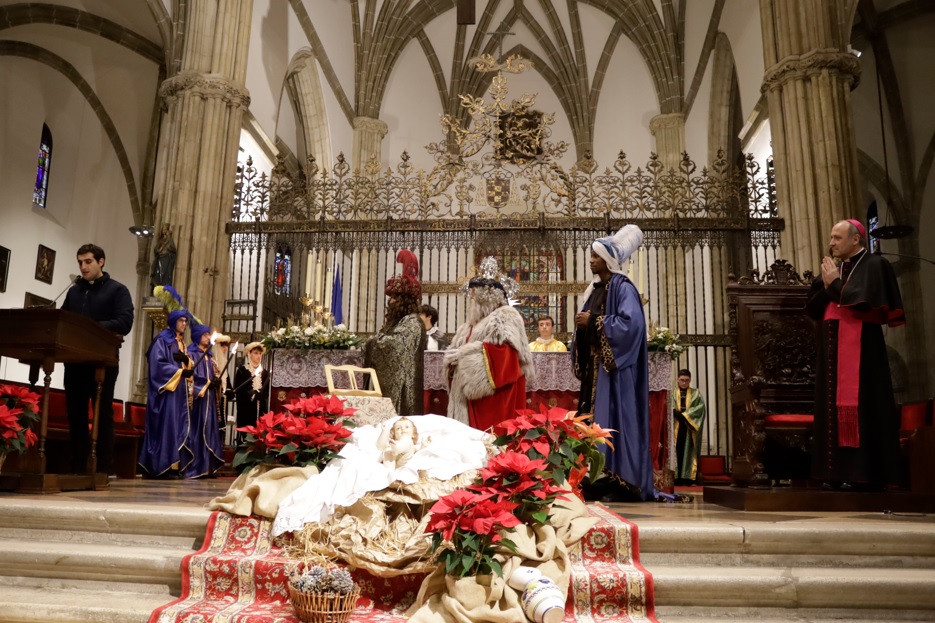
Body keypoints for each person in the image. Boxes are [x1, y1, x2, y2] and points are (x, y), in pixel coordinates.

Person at [805, 219, 905, 491]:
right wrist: (829, 285)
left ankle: (864, 473)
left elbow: (862, 303)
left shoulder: (875, 265)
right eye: (831, 237)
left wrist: (835, 285)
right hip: (830, 354)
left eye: (837, 237)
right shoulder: (834, 270)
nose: (832, 243)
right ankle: (833, 473)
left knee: (865, 407)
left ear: (856, 240)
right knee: (830, 409)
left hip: (863, 354)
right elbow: (813, 307)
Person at [572, 225, 654, 501]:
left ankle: (620, 479)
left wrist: (592, 322)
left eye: (595, 257)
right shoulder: (597, 288)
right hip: (596, 373)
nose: (591, 261)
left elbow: (631, 326)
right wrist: (582, 328)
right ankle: (594, 475)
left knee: (616, 420)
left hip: (615, 372)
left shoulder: (623, 287)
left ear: (607, 261)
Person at [61, 243, 134, 475]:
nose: (83, 267)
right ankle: (78, 465)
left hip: (103, 361)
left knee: (102, 414)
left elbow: (124, 322)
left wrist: (89, 328)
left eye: (88, 262)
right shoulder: (74, 291)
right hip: (74, 361)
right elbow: (64, 320)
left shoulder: (117, 290)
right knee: (75, 413)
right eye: (80, 262)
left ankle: (102, 467)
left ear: (101, 261)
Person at [444, 257, 533, 431]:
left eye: (473, 295)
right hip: (465, 397)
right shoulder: (467, 326)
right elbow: (456, 354)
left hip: (494, 399)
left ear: (486, 298)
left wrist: (463, 357)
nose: (470, 299)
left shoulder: (505, 317)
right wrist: (451, 363)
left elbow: (506, 358)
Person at [364, 249, 426, 416]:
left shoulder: (412, 322)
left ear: (403, 301)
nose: (390, 301)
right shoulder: (397, 321)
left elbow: (393, 346)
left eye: (393, 298)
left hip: (404, 389)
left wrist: (373, 343)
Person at [138, 310, 193, 478]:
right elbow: (157, 365)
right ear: (174, 321)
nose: (184, 324)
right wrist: (178, 372)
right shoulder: (162, 340)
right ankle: (162, 466)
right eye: (181, 321)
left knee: (176, 427)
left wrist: (186, 363)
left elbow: (189, 365)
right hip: (166, 394)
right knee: (167, 428)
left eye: (186, 321)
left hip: (178, 394)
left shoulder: (181, 342)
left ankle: (174, 466)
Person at [183, 323, 225, 477]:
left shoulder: (210, 357)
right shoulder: (192, 354)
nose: (208, 337)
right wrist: (207, 383)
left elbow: (214, 376)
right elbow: (191, 376)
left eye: (209, 335)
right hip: (199, 401)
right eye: (205, 335)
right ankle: (197, 466)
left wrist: (217, 382)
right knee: (199, 430)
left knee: (210, 431)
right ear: (197, 336)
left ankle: (208, 466)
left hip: (210, 400)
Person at [671, 369, 706, 485]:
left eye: (686, 380)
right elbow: (666, 406)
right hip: (675, 428)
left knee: (688, 451)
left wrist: (685, 415)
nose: (684, 383)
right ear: (678, 380)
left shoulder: (696, 393)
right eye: (682, 380)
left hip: (688, 427)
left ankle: (687, 478)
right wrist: (673, 412)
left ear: (690, 380)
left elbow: (700, 408)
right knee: (676, 451)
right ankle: (675, 477)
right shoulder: (672, 393)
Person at [233, 341, 270, 443]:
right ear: (249, 354)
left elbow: (266, 391)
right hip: (247, 408)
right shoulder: (242, 371)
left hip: (260, 407)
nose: (258, 356)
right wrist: (251, 394)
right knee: (247, 432)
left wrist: (260, 395)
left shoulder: (265, 372)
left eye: (260, 353)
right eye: (255, 353)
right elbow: (239, 389)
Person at [150, 223, 177, 288]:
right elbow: (156, 248)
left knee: (164, 274)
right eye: (163, 229)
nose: (164, 231)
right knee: (157, 273)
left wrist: (168, 248)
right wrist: (158, 250)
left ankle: (163, 286)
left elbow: (173, 249)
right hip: (160, 258)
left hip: (166, 259)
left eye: (165, 229)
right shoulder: (161, 240)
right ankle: (157, 285)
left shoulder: (169, 239)